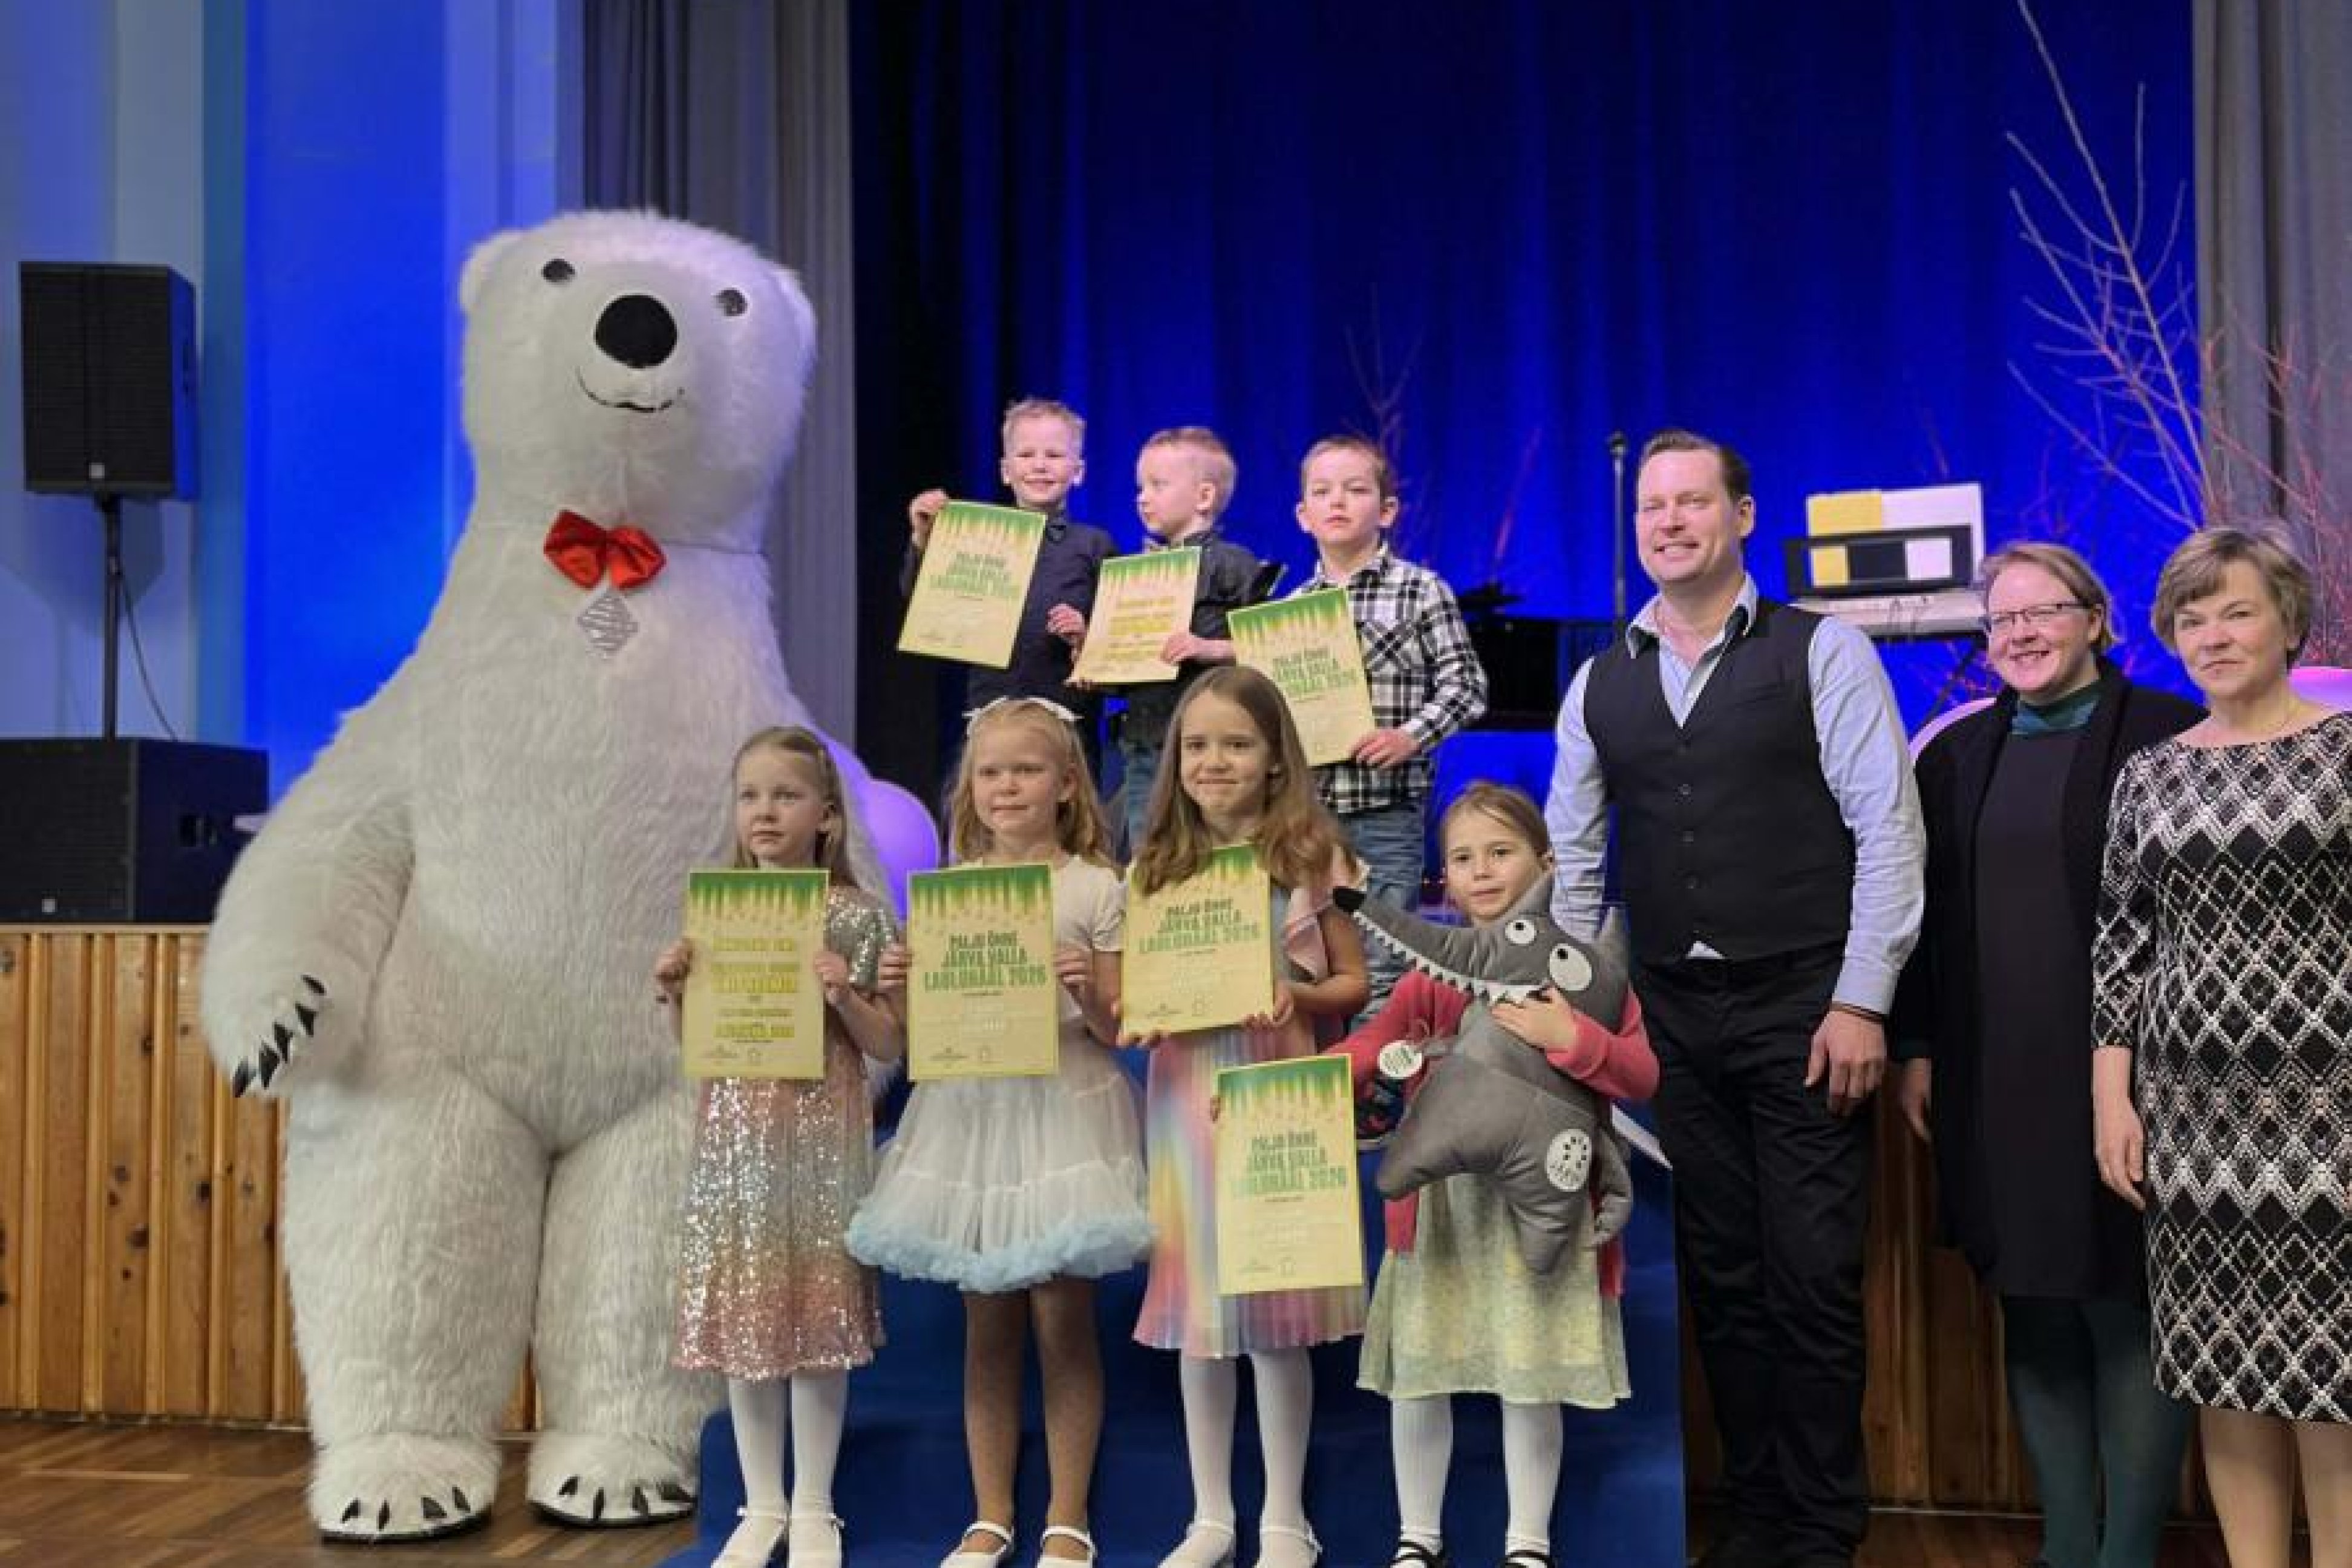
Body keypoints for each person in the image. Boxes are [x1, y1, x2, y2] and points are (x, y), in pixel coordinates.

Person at [1543, 430, 1924, 1568]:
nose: (1668, 521)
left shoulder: (1822, 650)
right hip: (1672, 1012)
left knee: (1811, 1277)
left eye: (1692, 501)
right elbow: (1574, 864)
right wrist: (1582, 1012)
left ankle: (1822, 1531)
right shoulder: (1599, 680)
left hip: (1807, 1005)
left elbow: (1887, 833)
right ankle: (1755, 1519)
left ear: (1742, 515)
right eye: (1651, 506)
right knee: (1723, 1277)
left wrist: (1862, 1001)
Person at [1890, 543, 2200, 1568]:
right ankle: (2066, 1545)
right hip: (1994, 1071)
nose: (2020, 633)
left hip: (2133, 1074)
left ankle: (2126, 1554)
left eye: (2043, 612)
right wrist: (1918, 1047)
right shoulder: (1953, 756)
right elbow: (1930, 921)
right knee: (2031, 1303)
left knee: (2126, 1307)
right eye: (2002, 618)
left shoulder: (2168, 734)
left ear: (2095, 620)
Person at [2090, 528, 2350, 1568]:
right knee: (2223, 1367)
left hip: (2328, 1109)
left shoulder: (2343, 752)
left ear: (2288, 622)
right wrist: (2112, 1100)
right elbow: (2120, 950)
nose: (2213, 635)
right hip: (2191, 1117)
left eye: (2236, 611)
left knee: (2330, 1371)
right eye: (2191, 619)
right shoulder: (2149, 776)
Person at [846, 697, 1151, 1568]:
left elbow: (1119, 1028)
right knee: (987, 1324)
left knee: (1060, 1319)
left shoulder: (1096, 888)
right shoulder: (949, 895)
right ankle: (990, 1515)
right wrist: (898, 982)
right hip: (971, 1117)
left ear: (1067, 784)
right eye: (990, 772)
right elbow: (910, 1038)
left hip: (1064, 1111)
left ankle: (1067, 1515)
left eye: (1026, 769)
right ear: (969, 789)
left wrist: (1085, 985)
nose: (1006, 786)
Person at [1335, 783, 1659, 1568]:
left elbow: (1640, 1074)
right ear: (1444, 879)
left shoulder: (1583, 975)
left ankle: (1527, 1543)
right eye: (1462, 858)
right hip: (1444, 1211)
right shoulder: (1430, 978)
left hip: (1539, 1217)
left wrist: (1569, 1035)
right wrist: (1305, 1080)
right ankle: (1418, 1538)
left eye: (1500, 852)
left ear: (1545, 865)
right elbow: (1373, 1045)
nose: (1481, 871)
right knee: (1420, 1373)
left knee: (1529, 1373)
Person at [1126, 666, 1371, 1568]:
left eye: (1236, 744)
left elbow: (1354, 983)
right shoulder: (1156, 867)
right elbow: (1136, 997)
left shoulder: (1310, 857)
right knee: (1200, 1313)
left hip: (1275, 1093)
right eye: (1197, 745)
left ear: (1275, 759)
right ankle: (1211, 1517)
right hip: (1186, 1096)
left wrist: (1295, 994)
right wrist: (1142, 1014)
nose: (1214, 761)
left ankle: (1284, 1518)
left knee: (1274, 1309)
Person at [656, 727, 905, 1568]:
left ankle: (814, 1506)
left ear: (826, 816)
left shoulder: (856, 915)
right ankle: (761, 1504)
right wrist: (676, 993)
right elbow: (699, 1046)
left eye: (786, 796)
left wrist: (844, 994)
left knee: (815, 1319)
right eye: (750, 796)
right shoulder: (719, 914)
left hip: (821, 1138)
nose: (765, 812)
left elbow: (888, 1042)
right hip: (736, 1144)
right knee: (748, 1321)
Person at [1289, 437, 1487, 1006]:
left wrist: (1409, 737)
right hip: (1309, 818)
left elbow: (1467, 686)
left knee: (1382, 965)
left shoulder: (1420, 591)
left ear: (1387, 510)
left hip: (1386, 814)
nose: (1338, 501)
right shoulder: (1291, 608)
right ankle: (1322, 1065)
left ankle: (1378, 1067)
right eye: (1322, 492)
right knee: (1309, 962)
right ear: (1303, 515)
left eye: (1356, 490)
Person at [1063, 426, 1272, 855]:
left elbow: (1272, 649)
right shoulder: (1135, 574)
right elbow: (1126, 671)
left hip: (1214, 750)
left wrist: (1209, 648)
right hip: (1145, 745)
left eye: (1158, 486)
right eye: (1141, 488)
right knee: (1152, 856)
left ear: (1204, 497)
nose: (1143, 498)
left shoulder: (1233, 565)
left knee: (1219, 852)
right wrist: (1092, 658)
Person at [904, 397, 1117, 776]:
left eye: (1054, 455)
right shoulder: (976, 538)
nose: (1039, 465)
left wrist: (1086, 635)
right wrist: (924, 539)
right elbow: (922, 602)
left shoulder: (1095, 545)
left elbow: (1119, 637)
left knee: (1069, 807)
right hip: (992, 712)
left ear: (1078, 471)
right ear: (1006, 471)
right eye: (1026, 455)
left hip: (1068, 719)